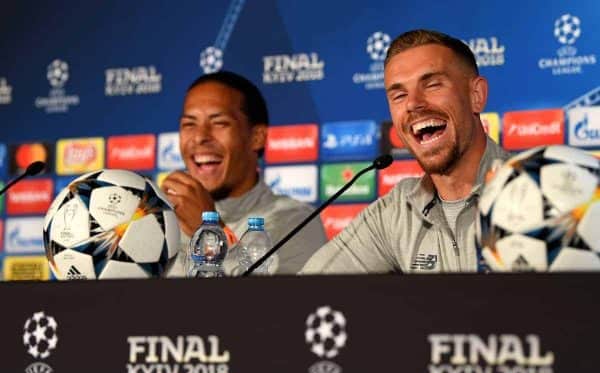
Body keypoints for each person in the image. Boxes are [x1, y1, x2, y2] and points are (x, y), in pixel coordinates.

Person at [300, 29, 508, 274]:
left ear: (476, 96)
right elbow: (304, 293)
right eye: (399, 95)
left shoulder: (541, 188)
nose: (412, 104)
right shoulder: (396, 212)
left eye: (431, 85)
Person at [162, 71, 326, 276]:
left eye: (219, 123)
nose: (200, 137)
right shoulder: (164, 222)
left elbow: (281, 305)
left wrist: (208, 231)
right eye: (189, 124)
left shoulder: (296, 221)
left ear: (257, 137)